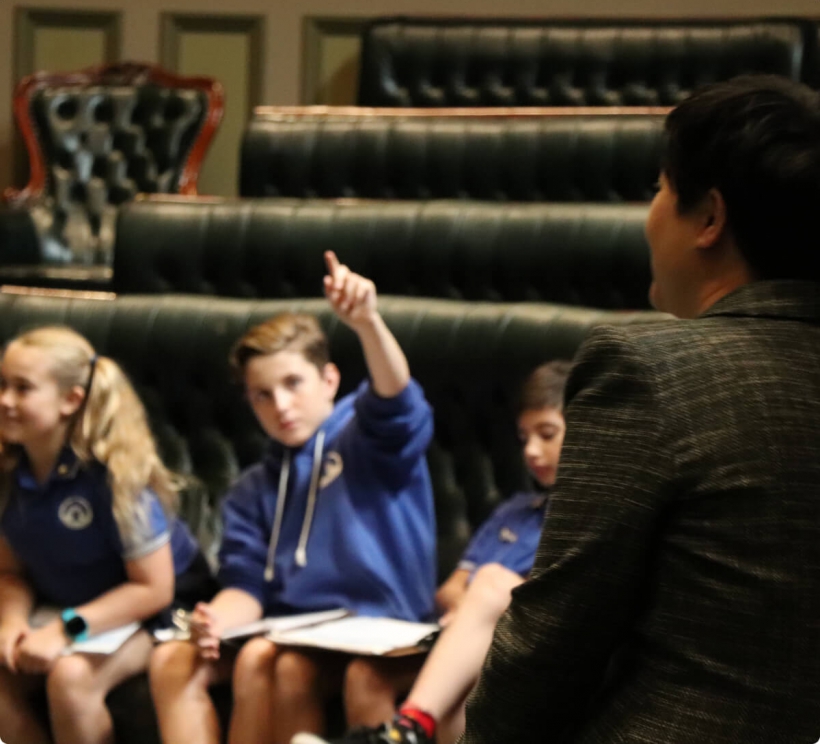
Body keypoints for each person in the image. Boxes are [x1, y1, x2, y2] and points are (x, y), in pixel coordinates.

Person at [461, 74, 820, 744]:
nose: (649, 210)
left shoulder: (649, 366)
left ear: (709, 217)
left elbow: (555, 635)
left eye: (659, 188)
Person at [149, 251, 436, 744]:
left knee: (273, 661)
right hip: (297, 633)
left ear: (329, 380)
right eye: (262, 394)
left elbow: (397, 401)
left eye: (292, 384)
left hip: (386, 631)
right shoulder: (253, 488)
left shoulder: (364, 437)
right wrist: (216, 618)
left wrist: (367, 323)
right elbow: (246, 588)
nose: (280, 406)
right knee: (190, 657)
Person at [292, 360, 571, 744]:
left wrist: (487, 606)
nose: (532, 451)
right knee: (364, 674)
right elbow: (450, 590)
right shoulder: (516, 512)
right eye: (524, 438)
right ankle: (397, 733)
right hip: (459, 642)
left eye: (548, 434)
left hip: (526, 653)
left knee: (489, 587)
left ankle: (406, 730)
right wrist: (469, 610)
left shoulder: (590, 518)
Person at [0, 325, 210, 744]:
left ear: (71, 400)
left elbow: (153, 589)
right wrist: (11, 624)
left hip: (158, 608)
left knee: (71, 677)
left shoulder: (116, 477)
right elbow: (11, 572)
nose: (5, 401)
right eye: (1, 385)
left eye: (22, 389)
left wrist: (63, 631)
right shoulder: (7, 472)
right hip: (68, 603)